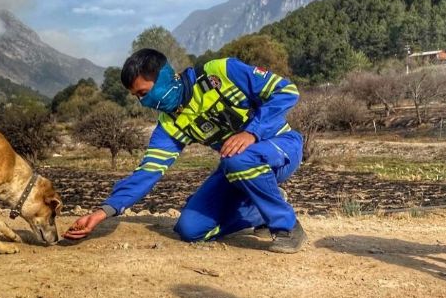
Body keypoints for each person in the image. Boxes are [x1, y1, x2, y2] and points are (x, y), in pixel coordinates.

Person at [63, 48, 307, 253]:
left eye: (144, 93)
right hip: (236, 167)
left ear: (164, 77)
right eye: (137, 97)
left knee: (238, 159)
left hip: (282, 148)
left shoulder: (221, 71)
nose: (143, 102)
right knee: (190, 229)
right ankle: (263, 211)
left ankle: (286, 227)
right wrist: (102, 212)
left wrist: (252, 132)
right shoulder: (170, 123)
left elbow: (287, 91)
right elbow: (148, 171)